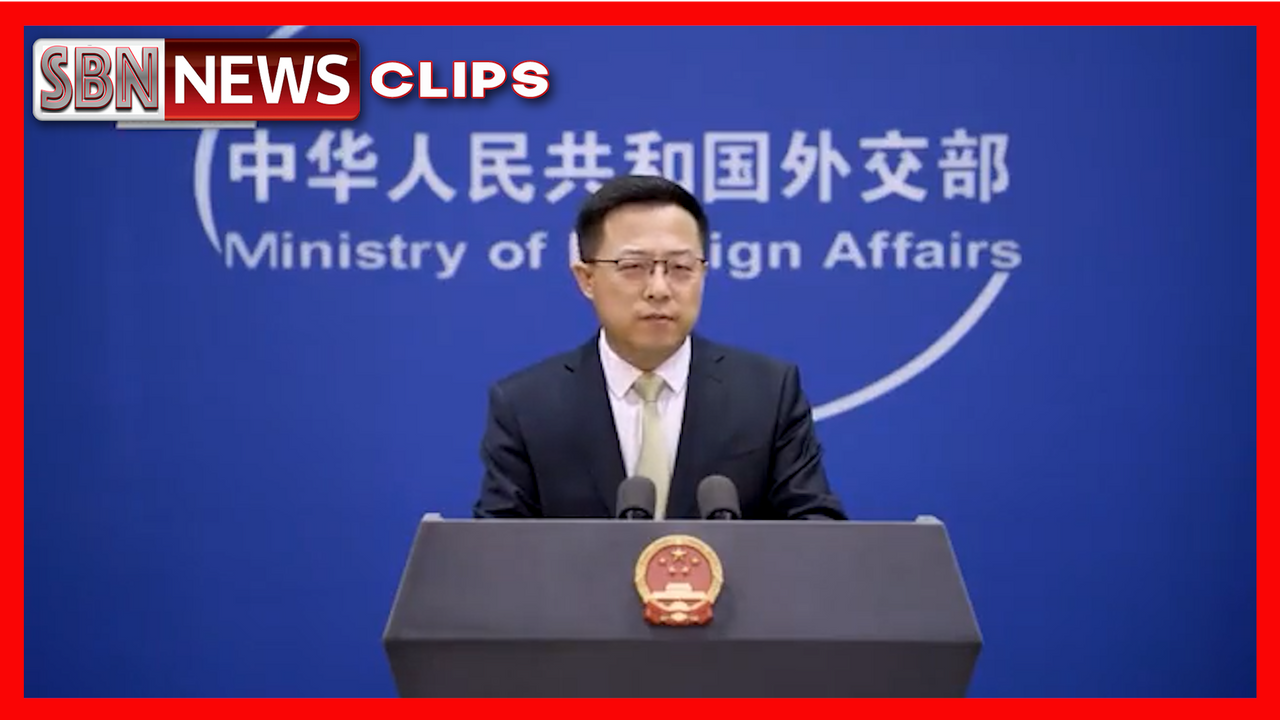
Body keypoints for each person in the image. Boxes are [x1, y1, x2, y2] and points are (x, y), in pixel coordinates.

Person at [471, 175, 847, 521]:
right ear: (586, 279)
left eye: (680, 267)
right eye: (633, 267)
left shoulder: (768, 393)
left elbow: (815, 530)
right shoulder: (526, 406)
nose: (659, 289)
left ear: (703, 273)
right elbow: (496, 549)